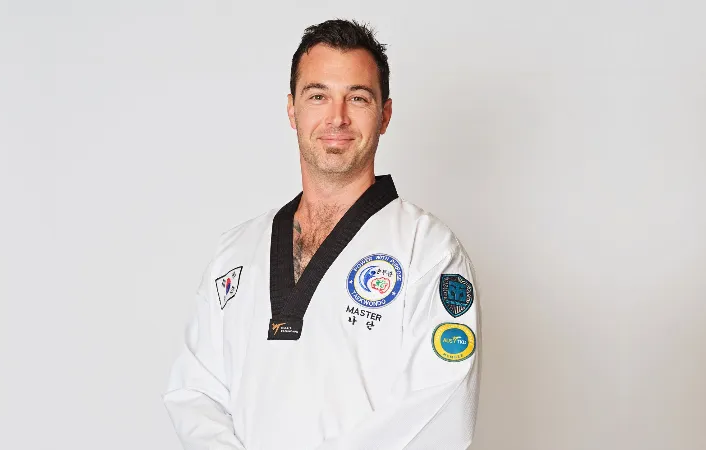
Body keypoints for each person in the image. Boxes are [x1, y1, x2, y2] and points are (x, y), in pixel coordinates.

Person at [163, 18, 481, 450]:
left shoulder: (428, 251)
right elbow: (196, 393)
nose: (337, 117)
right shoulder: (235, 251)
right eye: (318, 96)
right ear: (292, 109)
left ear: (384, 114)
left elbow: (438, 406)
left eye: (358, 98)